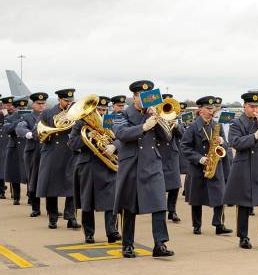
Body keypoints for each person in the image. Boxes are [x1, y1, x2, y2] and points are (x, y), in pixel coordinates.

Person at [112, 80, 174, 258]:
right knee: (129, 206)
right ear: (134, 97)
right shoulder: (122, 114)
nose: (145, 99)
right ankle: (127, 244)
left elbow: (167, 137)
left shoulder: (154, 113)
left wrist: (158, 119)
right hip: (132, 164)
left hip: (152, 163)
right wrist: (144, 126)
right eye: (141, 96)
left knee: (159, 204)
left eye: (148, 96)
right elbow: (121, 134)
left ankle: (160, 244)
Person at [225, 92, 258, 249]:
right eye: (251, 106)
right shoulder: (236, 123)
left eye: (257, 106)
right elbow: (235, 142)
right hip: (245, 166)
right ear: (244, 106)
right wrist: (255, 136)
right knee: (244, 203)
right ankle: (243, 236)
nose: (255, 109)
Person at [67, 96, 119, 244]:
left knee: (111, 200)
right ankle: (89, 234)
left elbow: (119, 137)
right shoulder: (80, 123)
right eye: (99, 110)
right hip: (88, 166)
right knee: (87, 202)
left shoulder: (109, 121)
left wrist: (114, 146)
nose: (101, 112)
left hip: (107, 165)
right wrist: (86, 137)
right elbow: (72, 144)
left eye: (104, 109)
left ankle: (112, 232)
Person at [179, 96, 232, 236]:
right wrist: (200, 159)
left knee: (220, 196)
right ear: (200, 109)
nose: (211, 111)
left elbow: (226, 146)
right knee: (196, 198)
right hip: (198, 167)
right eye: (208, 108)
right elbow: (184, 147)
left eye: (212, 108)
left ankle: (219, 224)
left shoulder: (217, 125)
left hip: (215, 165)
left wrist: (222, 142)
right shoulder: (192, 127)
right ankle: (197, 225)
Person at [36, 89, 79, 229]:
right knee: (51, 186)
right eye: (66, 101)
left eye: (71, 101)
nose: (69, 103)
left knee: (72, 186)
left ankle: (71, 217)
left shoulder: (76, 113)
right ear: (59, 99)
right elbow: (38, 132)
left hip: (70, 152)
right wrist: (48, 134)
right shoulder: (48, 113)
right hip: (52, 152)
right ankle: (52, 217)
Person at [16, 92, 48, 217]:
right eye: (38, 103)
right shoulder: (27, 117)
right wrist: (28, 134)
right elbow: (20, 128)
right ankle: (35, 208)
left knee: (49, 179)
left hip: (47, 152)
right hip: (33, 151)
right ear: (33, 104)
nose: (41, 106)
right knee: (33, 179)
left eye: (43, 103)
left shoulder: (50, 116)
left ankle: (52, 209)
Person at [156, 94, 183, 223]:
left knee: (175, 184)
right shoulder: (155, 116)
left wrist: (177, 126)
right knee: (159, 185)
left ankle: (172, 211)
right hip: (159, 153)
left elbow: (183, 135)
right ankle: (160, 210)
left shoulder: (175, 117)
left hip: (172, 154)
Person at [2, 97, 29, 205]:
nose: (22, 110)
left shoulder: (31, 117)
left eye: (24, 108)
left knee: (30, 173)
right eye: (20, 108)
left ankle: (31, 196)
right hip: (15, 148)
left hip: (27, 147)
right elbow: (7, 130)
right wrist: (19, 120)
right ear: (15, 108)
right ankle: (16, 197)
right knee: (15, 174)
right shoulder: (10, 118)